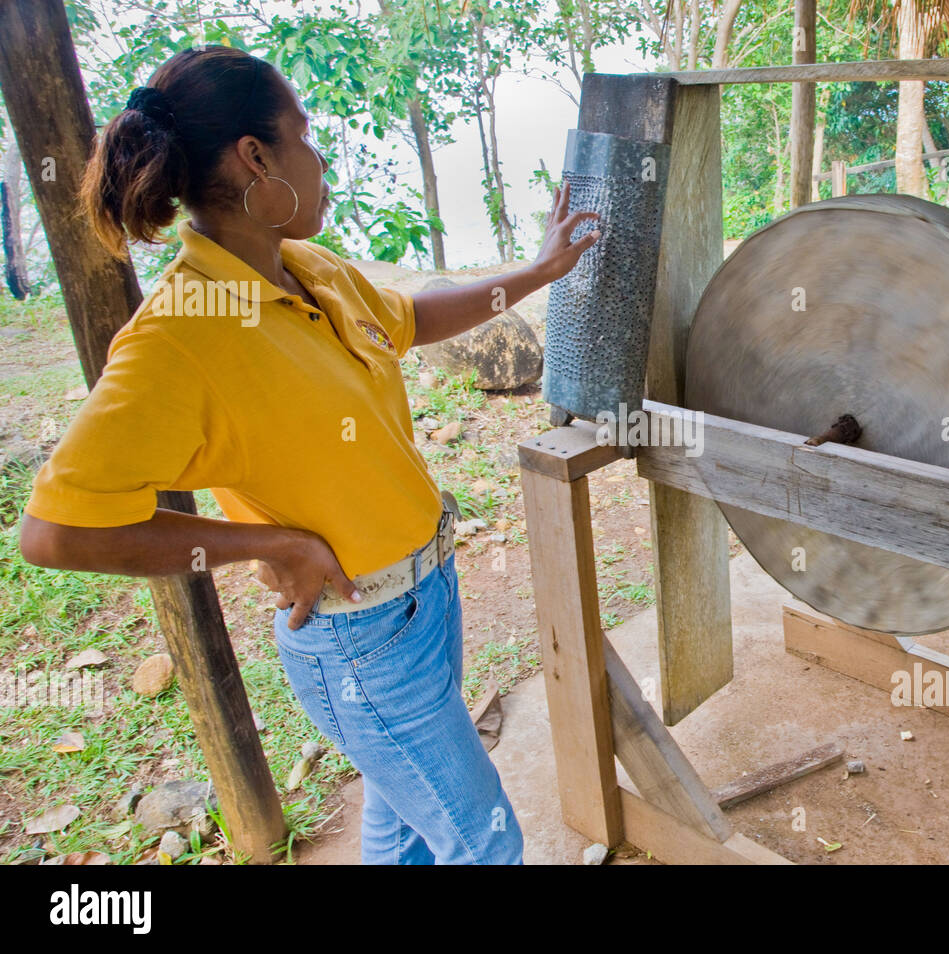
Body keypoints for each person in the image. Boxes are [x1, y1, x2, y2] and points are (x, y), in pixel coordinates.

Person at [18, 45, 599, 864]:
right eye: (306, 135)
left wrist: (536, 271)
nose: (321, 160)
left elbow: (412, 320)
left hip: (426, 600)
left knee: (402, 826)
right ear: (256, 158)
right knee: (486, 841)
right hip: (359, 645)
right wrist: (269, 544)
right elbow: (54, 532)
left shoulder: (308, 269)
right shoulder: (177, 341)